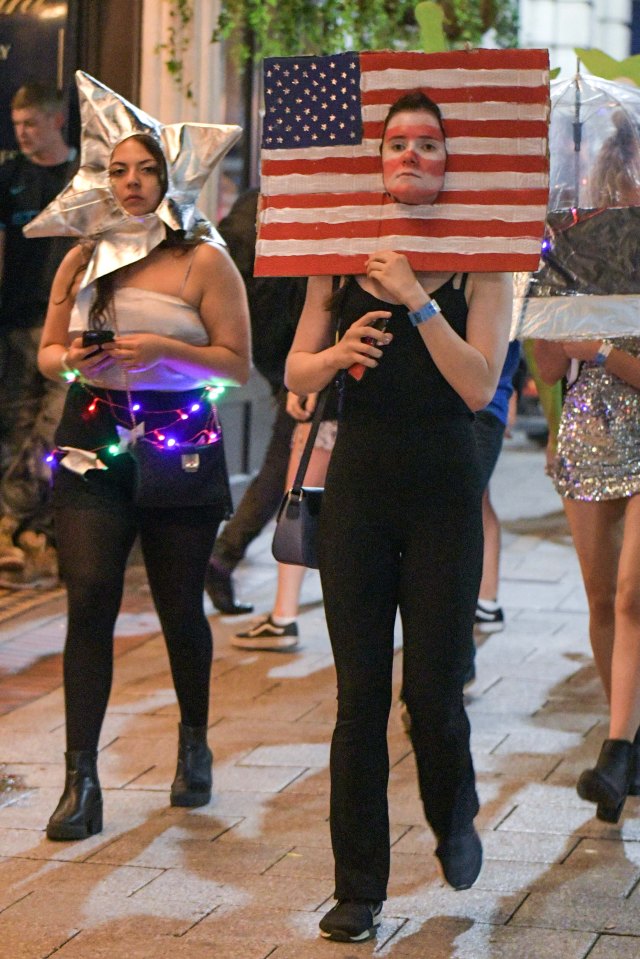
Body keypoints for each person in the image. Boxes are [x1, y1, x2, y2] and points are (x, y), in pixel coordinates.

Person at [285, 88, 512, 944]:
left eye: (429, 143)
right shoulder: (338, 257)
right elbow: (296, 369)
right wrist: (336, 353)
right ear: (377, 164)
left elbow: (480, 386)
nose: (411, 154)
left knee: (433, 690)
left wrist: (418, 299)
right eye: (397, 144)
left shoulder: (481, 263)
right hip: (361, 489)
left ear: (451, 164)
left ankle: (454, 814)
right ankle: (359, 886)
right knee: (357, 700)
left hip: (444, 489)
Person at [38, 131, 250, 840]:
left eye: (145, 169)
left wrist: (163, 349)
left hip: (178, 441)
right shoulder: (82, 258)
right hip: (91, 441)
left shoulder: (202, 260)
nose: (131, 182)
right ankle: (81, 779)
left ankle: (194, 738)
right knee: (91, 594)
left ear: (168, 177)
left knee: (177, 606)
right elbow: (46, 354)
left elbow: (236, 366)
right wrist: (70, 359)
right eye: (117, 170)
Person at [531, 111, 640, 825]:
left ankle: (616, 748)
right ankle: (626, 732)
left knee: (634, 594)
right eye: (618, 173)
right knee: (602, 600)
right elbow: (545, 365)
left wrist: (599, 349)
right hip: (587, 434)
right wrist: (553, 302)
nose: (625, 185)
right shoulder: (569, 252)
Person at [204, 188, 307, 614]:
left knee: (288, 453)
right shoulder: (289, 204)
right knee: (290, 457)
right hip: (290, 344)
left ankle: (226, 555)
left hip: (268, 344)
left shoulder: (251, 201)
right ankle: (227, 556)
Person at [0, 83, 78, 585]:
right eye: (17, 123)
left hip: (70, 324)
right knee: (16, 422)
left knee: (54, 426)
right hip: (16, 319)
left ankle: (34, 527)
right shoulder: (10, 175)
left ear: (57, 121)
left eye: (32, 123)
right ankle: (15, 529)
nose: (23, 133)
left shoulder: (83, 177)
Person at [231, 388, 337, 651]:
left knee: (298, 507)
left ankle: (283, 616)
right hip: (382, 416)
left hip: (332, 404)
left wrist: (307, 382)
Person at [474, 339, 521, 634]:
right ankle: (486, 600)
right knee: (476, 500)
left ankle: (484, 601)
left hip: (485, 404)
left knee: (463, 507)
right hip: (486, 401)